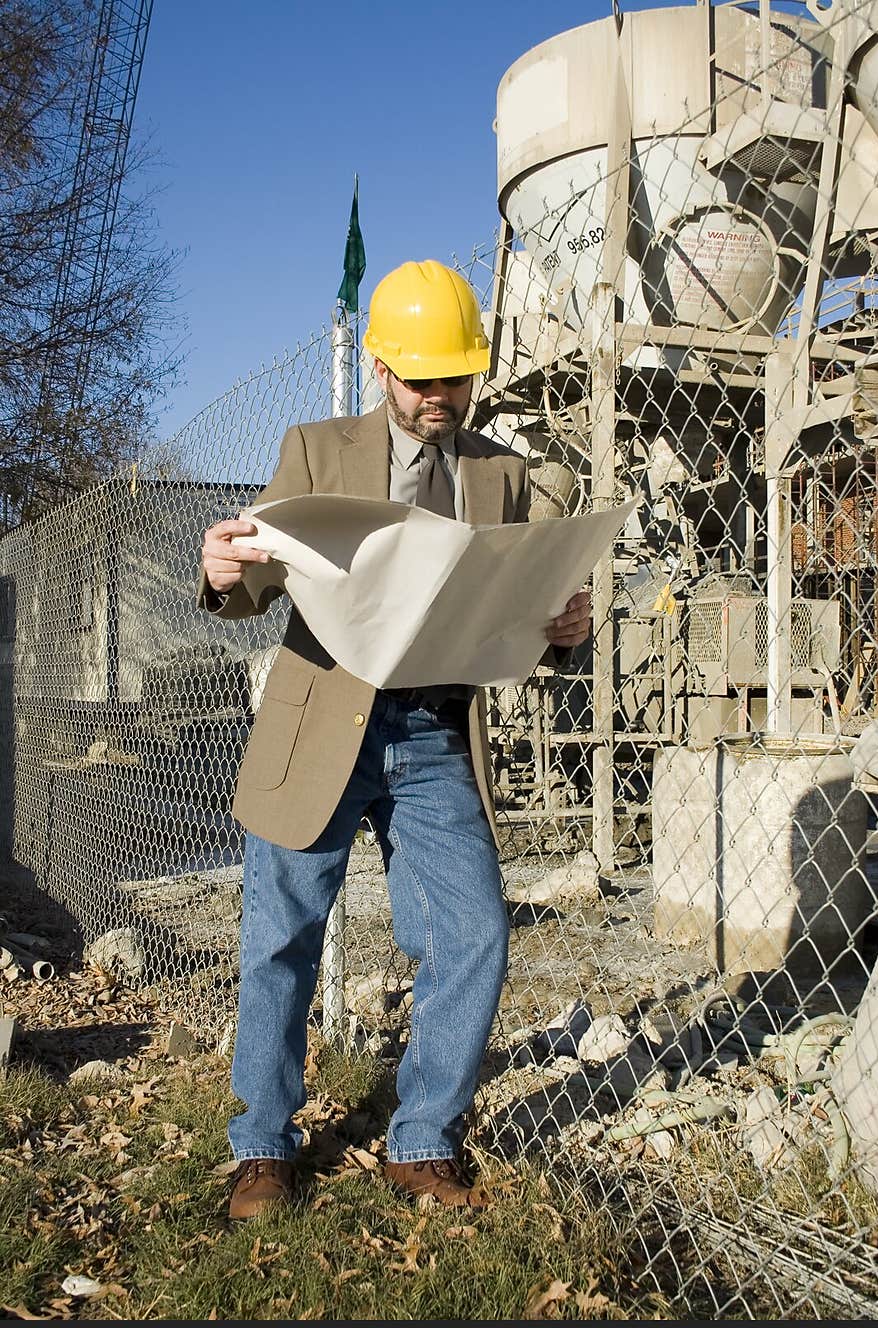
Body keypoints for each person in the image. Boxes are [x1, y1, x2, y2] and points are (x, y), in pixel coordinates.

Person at [198, 260, 592, 1218]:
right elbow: (255, 580)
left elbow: (514, 608)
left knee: (473, 930)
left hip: (432, 732)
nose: (437, 398)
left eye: (454, 379)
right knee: (280, 934)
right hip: (323, 718)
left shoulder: (502, 471)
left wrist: (562, 633)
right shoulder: (315, 448)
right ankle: (263, 1147)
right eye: (420, 380)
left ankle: (422, 1138)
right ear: (379, 366)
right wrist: (219, 569)